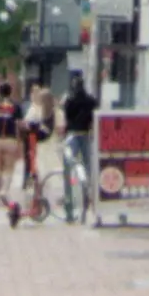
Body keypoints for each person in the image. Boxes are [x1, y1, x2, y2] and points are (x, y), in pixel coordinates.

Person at [61, 71, 99, 219]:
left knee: (68, 169)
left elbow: (66, 117)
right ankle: (87, 198)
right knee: (87, 169)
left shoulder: (69, 100)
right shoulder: (91, 101)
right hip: (85, 135)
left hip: (72, 136)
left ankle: (69, 205)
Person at [0, 80, 23, 203]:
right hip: (10, 139)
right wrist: (20, 142)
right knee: (9, 168)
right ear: (10, 92)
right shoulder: (16, 107)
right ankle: (4, 191)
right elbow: (19, 125)